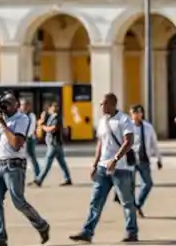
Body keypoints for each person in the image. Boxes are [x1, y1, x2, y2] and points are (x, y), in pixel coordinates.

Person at [69, 92, 138, 244]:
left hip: (121, 168)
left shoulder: (124, 119)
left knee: (127, 202)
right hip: (102, 168)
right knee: (96, 200)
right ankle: (87, 232)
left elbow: (129, 141)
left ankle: (131, 231)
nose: (101, 106)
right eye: (101, 104)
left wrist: (115, 159)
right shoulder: (102, 121)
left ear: (113, 104)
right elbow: (100, 144)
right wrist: (94, 164)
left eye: (104, 103)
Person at [0, 91, 51, 246]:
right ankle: (0, 237)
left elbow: (16, 144)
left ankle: (42, 225)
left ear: (16, 105)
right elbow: (0, 141)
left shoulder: (22, 119)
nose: (5, 108)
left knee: (19, 202)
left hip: (13, 166)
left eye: (8, 104)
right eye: (3, 105)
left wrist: (3, 124)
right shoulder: (1, 118)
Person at [126, 107, 161, 214]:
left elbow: (154, 143)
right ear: (131, 114)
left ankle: (138, 204)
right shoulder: (127, 127)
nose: (136, 115)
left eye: (138, 112)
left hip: (144, 159)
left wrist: (159, 158)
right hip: (130, 159)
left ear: (141, 114)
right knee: (130, 186)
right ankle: (131, 209)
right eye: (134, 113)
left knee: (148, 183)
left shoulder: (148, 127)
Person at [33, 100, 72, 187]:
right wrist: (42, 119)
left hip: (54, 144)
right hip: (55, 144)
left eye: (54, 107)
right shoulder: (52, 117)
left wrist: (43, 127)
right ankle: (68, 178)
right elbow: (42, 122)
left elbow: (52, 129)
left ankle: (39, 180)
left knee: (47, 162)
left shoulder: (57, 118)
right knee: (62, 163)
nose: (52, 109)